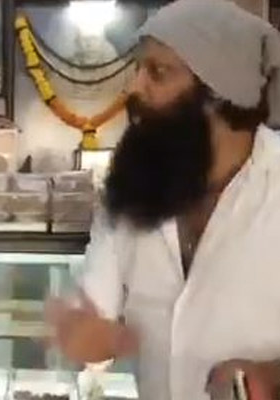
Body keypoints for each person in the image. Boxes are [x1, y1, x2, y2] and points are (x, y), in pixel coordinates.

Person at [47, 0, 280, 399]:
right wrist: (90, 336)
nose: (135, 88)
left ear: (219, 93)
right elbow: (95, 308)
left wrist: (271, 377)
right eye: (139, 70)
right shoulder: (131, 186)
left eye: (158, 73)